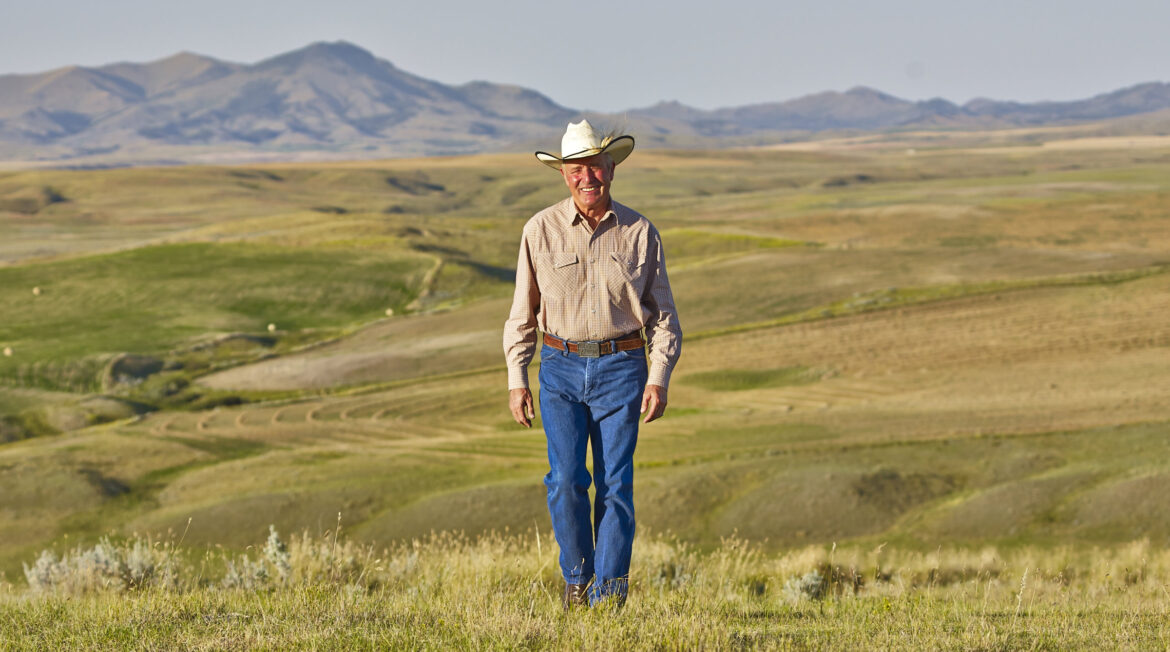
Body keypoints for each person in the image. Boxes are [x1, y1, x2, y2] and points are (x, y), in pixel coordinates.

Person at [503, 120, 682, 608]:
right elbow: (522, 312)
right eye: (577, 169)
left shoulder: (640, 232)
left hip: (622, 367)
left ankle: (610, 594)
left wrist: (659, 376)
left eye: (596, 167)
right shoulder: (539, 230)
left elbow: (663, 316)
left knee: (616, 485)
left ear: (611, 168)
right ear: (564, 174)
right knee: (564, 481)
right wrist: (517, 378)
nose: (588, 177)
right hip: (559, 367)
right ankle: (577, 578)